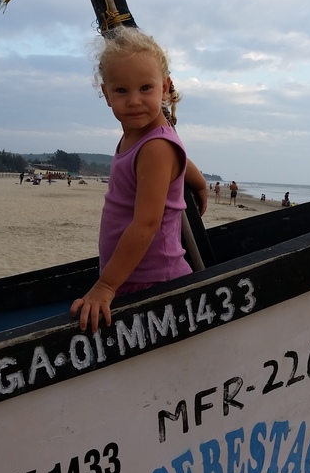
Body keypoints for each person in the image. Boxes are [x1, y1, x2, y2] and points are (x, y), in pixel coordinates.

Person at [70, 27, 208, 332]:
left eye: (145, 88)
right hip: (132, 273)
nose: (134, 100)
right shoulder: (142, 135)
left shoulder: (156, 147)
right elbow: (179, 157)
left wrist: (105, 286)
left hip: (153, 280)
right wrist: (198, 182)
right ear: (107, 94)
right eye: (122, 90)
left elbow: (146, 223)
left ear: (165, 88)